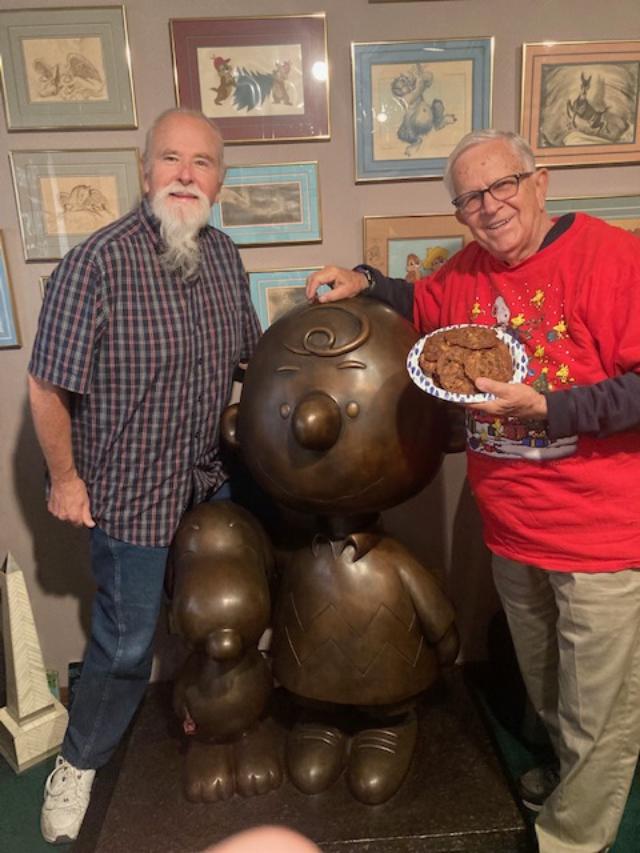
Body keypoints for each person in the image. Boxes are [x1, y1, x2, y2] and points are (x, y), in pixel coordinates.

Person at [306, 129, 640, 853]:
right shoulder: (464, 275)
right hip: (513, 530)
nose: (488, 208)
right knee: (548, 687)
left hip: (600, 538)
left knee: (600, 713)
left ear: (539, 181)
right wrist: (364, 278)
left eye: (502, 186)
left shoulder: (615, 258)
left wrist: (551, 406)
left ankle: (574, 839)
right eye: (469, 199)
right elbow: (416, 299)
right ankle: (567, 777)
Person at [28, 107, 262, 844]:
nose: (186, 175)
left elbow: (252, 360)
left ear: (219, 181)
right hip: (128, 492)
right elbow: (46, 386)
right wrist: (65, 479)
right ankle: (80, 762)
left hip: (210, 480)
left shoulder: (224, 256)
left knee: (217, 619)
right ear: (144, 171)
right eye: (171, 159)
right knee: (126, 644)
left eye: (202, 162)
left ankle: (203, 715)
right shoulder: (94, 262)